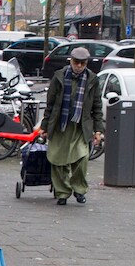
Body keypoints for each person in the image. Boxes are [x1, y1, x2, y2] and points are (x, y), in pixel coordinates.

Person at [43, 45, 103, 205]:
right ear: (71, 61)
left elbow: (97, 106)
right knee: (57, 160)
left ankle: (79, 188)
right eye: (76, 62)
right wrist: (44, 127)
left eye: (83, 63)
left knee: (82, 158)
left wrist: (98, 130)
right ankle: (62, 192)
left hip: (80, 126)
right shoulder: (59, 76)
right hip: (60, 125)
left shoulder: (92, 79)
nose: (79, 66)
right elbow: (50, 104)